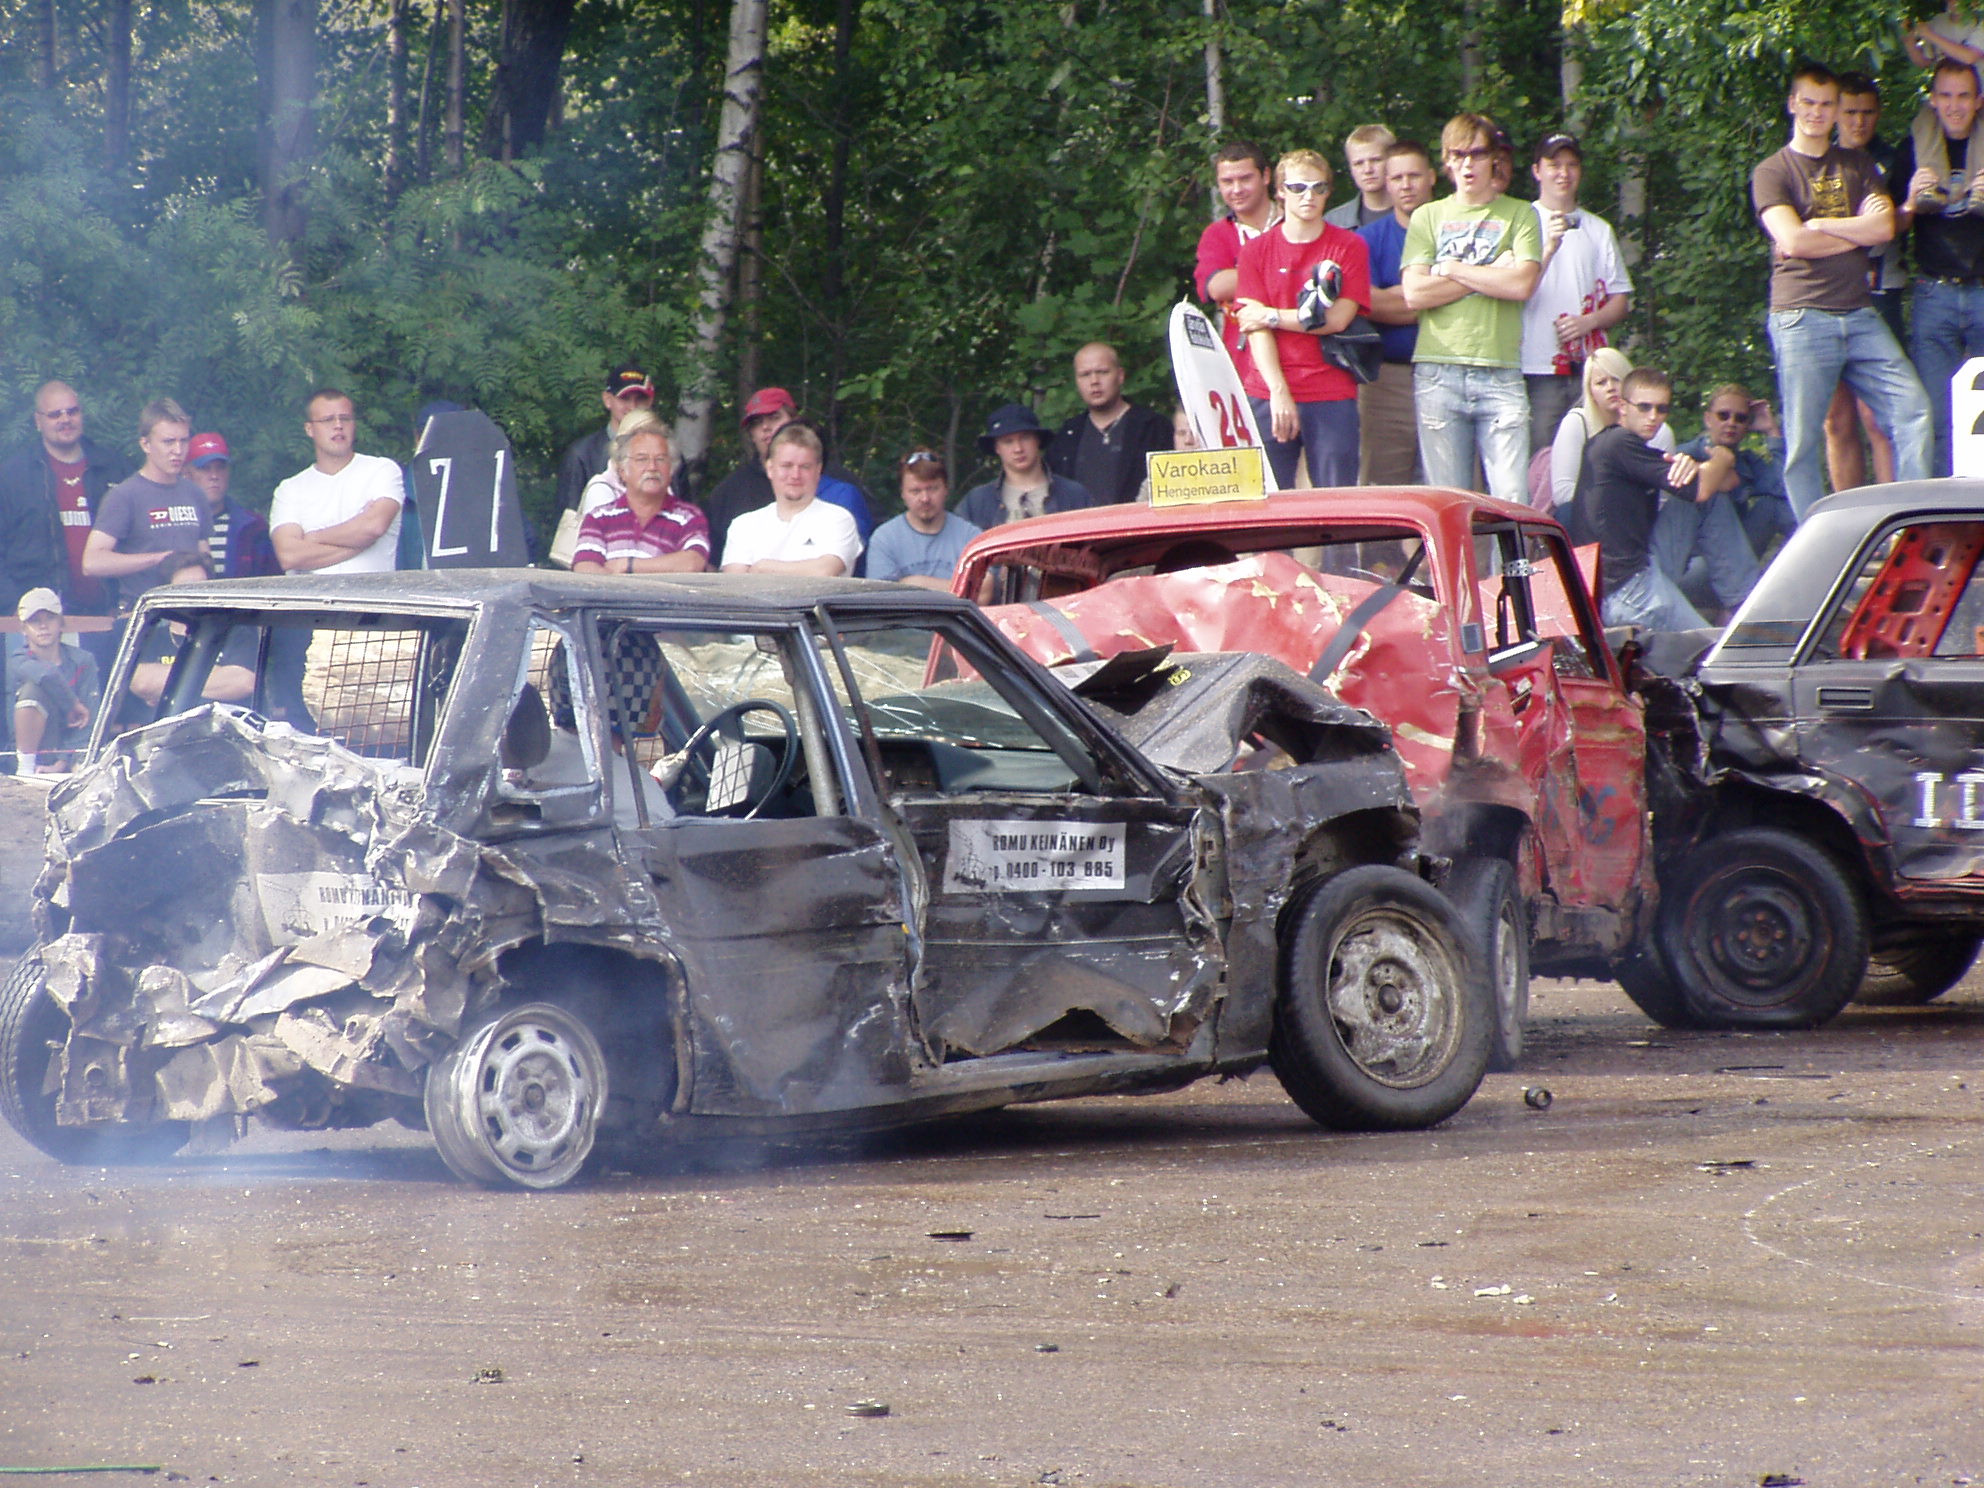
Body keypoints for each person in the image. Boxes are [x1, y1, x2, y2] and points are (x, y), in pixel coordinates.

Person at [1753, 62, 1931, 519]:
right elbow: (1792, 241)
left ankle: (1910, 524)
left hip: (1858, 311)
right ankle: (1817, 544)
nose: (1816, 112)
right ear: (1793, 104)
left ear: (1836, 111)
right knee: (1804, 438)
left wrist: (1822, 225)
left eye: (1826, 104)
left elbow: (1886, 228)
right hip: (1801, 314)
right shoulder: (1773, 171)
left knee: (1913, 408)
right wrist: (1855, 231)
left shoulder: (1857, 164)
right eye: (1808, 102)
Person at [1402, 113, 1544, 503]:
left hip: (1501, 373)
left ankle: (1510, 569)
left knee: (1512, 501)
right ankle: (1460, 570)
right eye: (1458, 154)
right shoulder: (1427, 215)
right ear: (1446, 161)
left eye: (1478, 154)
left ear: (1494, 159)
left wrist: (1449, 268)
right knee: (1449, 503)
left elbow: (1521, 284)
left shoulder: (1520, 214)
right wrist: (1488, 273)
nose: (1468, 164)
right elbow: (1414, 294)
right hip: (1437, 371)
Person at [1233, 149, 1371, 488]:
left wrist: (1271, 316)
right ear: (1279, 191)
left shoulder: (1349, 245)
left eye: (1318, 187)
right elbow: (1254, 328)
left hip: (1330, 388)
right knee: (1266, 508)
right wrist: (1278, 390)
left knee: (1338, 507)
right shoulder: (1256, 250)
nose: (1308, 196)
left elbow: (1338, 319)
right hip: (1267, 390)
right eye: (1297, 187)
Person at [1520, 132, 1634, 455]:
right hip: (1534, 365)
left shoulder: (1598, 229)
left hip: (1589, 369)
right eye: (1554, 164)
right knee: (1538, 457)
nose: (1563, 173)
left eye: (1572, 165)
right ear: (1536, 171)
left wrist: (1589, 322)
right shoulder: (1520, 223)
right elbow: (1512, 288)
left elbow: (1621, 299)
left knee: (1593, 455)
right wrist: (1547, 248)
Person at [1897, 59, 1984, 477]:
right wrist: (1912, 202)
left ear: (1978, 101)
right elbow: (1889, 225)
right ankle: (1937, 515)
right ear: (1933, 101)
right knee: (1934, 415)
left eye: (1963, 95)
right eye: (1946, 95)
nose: (1954, 105)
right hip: (1935, 292)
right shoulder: (1913, 145)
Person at [1585, 368, 1722, 631]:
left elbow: (1722, 483)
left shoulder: (1616, 445)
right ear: (1623, 406)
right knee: (1713, 653)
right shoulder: (1619, 443)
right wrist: (1723, 456)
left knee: (1713, 497)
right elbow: (1702, 489)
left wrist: (1695, 466)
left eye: (1661, 409)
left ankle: (1735, 599)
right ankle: (1738, 601)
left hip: (1633, 578)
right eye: (1644, 407)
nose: (1653, 417)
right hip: (1628, 591)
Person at [1824, 74, 1902, 491]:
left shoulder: (1893, 158)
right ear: (1835, 112)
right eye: (1850, 111)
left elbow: (1898, 222)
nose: (1859, 121)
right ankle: (1849, 517)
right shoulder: (1816, 159)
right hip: (1824, 294)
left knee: (1877, 414)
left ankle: (1894, 518)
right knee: (1836, 419)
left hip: (1880, 291)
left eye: (1867, 112)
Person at [701, 387, 875, 567]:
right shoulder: (730, 492)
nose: (766, 427)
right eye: (757, 422)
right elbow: (725, 571)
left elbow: (830, 569)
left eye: (774, 417)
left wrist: (762, 568)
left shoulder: (840, 489)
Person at [0, 380, 126, 622]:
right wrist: (12, 607)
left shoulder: (113, 468)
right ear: (38, 421)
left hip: (108, 615)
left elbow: (135, 538)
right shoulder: (12, 476)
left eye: (72, 411)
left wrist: (124, 600)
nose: (65, 419)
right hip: (37, 621)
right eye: (55, 414)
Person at [83, 398, 211, 618]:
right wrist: (157, 559)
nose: (178, 450)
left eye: (184, 441)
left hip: (192, 612)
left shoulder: (195, 493)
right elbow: (92, 562)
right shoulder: (124, 495)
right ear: (145, 444)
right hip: (144, 613)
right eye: (168, 442)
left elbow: (204, 553)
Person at [1358, 140, 1436, 485]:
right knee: (1386, 489)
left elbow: (1474, 293)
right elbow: (1366, 303)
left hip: (1450, 369)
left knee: (1459, 488)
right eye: (1397, 177)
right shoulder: (1367, 239)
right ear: (1386, 183)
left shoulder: (1456, 231)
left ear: (1432, 177)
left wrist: (1398, 296)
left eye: (1414, 175)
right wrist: (1438, 294)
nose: (1406, 185)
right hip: (1388, 378)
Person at [269, 389, 404, 575]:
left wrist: (314, 537)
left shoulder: (382, 470)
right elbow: (289, 556)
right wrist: (360, 543)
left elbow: (373, 526)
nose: (338, 425)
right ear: (309, 429)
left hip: (371, 601)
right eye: (327, 420)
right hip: (313, 603)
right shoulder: (290, 489)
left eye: (345, 418)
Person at [1550, 347, 1673, 533]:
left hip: (1642, 519)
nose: (1610, 388)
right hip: (1591, 520)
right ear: (1590, 392)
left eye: (1616, 379)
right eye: (1601, 382)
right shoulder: (1577, 422)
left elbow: (1664, 499)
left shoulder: (1658, 428)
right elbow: (1562, 492)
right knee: (1566, 511)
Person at [720, 423, 863, 576]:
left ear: (818, 470)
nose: (795, 475)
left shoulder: (838, 519)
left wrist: (763, 567)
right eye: (786, 466)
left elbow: (825, 571)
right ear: (770, 468)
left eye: (805, 467)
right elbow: (737, 585)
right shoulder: (743, 525)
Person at [570, 418, 710, 575]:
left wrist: (628, 565)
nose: (652, 467)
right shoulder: (599, 518)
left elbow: (693, 563)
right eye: (642, 459)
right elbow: (584, 569)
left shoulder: (689, 518)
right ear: (622, 471)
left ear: (672, 470)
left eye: (660, 459)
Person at [1677, 384, 1796, 565]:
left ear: (1748, 425)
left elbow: (1785, 487)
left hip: (1736, 553)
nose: (1731, 423)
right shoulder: (1685, 456)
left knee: (1773, 506)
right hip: (1694, 562)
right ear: (1708, 419)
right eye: (1723, 415)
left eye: (1740, 418)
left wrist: (1771, 431)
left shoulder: (1746, 462)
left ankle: (1827, 558)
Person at [1193, 141, 1279, 383]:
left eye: (1245, 179)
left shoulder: (1295, 223)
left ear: (1265, 176)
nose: (1237, 189)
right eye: (1227, 182)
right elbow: (1216, 286)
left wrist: (1241, 276)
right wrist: (1285, 271)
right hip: (1244, 366)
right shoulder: (1218, 234)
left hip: (1302, 357)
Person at [1047, 343, 1174, 506]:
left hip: (1137, 526)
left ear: (1120, 375)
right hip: (1081, 528)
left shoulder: (1153, 428)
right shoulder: (1067, 436)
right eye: (1085, 375)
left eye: (1102, 372)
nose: (1094, 381)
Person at [126, 553, 256, 708]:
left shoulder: (237, 632)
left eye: (202, 585)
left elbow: (243, 683)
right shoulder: (151, 634)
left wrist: (164, 686)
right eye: (185, 587)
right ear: (166, 592)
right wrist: (218, 677)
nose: (195, 593)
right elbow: (142, 683)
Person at [957, 405, 1094, 529]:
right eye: (1008, 441)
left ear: (1038, 440)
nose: (1018, 448)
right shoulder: (976, 503)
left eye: (1025, 438)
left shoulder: (1074, 495)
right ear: (996, 447)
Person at [9, 587, 99, 775]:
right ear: (24, 629)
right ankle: (25, 771)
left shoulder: (83, 660)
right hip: (28, 754)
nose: (43, 626)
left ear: (61, 622)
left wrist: (62, 762)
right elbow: (46, 675)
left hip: (72, 751)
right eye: (35, 621)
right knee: (33, 690)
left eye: (50, 618)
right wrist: (72, 704)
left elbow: (89, 717)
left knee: (85, 771)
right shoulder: (18, 659)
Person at [866, 449, 981, 590]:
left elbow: (983, 591)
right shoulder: (884, 538)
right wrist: (959, 588)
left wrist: (913, 583)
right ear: (902, 493)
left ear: (946, 489)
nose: (925, 498)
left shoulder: (970, 536)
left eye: (932, 489)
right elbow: (880, 597)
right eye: (915, 491)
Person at [555, 363, 655, 513]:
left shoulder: (668, 454)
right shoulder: (581, 455)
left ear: (650, 402)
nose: (633, 406)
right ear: (607, 399)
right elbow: (568, 519)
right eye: (625, 398)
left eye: (640, 399)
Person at [184, 433, 281, 580]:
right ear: (186, 473)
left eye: (220, 468)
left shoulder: (253, 528)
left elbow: (273, 582)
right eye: (205, 468)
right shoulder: (171, 524)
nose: (214, 475)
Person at [1325, 124, 1395, 230]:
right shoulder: (1334, 223)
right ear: (1350, 168)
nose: (1368, 170)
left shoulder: (1419, 216)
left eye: (1376, 160)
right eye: (1359, 163)